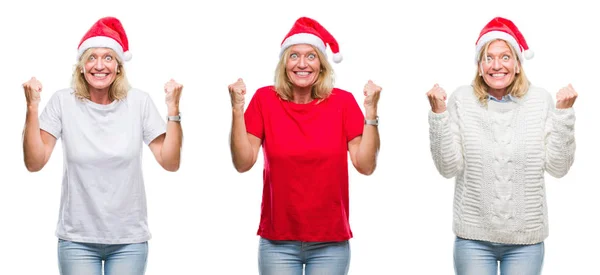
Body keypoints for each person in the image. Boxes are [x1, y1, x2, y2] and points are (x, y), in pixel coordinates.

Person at [22, 16, 183, 275]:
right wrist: (32, 106)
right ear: (81, 67)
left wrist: (173, 110)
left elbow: (170, 161)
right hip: (77, 240)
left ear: (119, 66)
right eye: (91, 57)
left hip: (129, 240)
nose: (99, 65)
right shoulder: (63, 102)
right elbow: (34, 162)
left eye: (108, 57)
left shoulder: (139, 102)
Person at [228, 17, 381, 275]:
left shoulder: (343, 103)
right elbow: (243, 163)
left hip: (330, 242)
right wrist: (236, 109)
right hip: (277, 242)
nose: (302, 64)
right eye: (294, 56)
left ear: (321, 65)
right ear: (284, 63)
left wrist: (371, 113)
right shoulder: (265, 99)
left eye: (311, 56)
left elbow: (366, 165)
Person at [427, 17, 577, 275]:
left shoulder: (540, 100)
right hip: (473, 239)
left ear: (518, 64)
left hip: (526, 241)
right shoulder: (462, 99)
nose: (497, 65)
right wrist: (438, 114)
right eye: (488, 58)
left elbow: (558, 167)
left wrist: (564, 114)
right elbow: (448, 167)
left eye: (505, 57)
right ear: (479, 66)